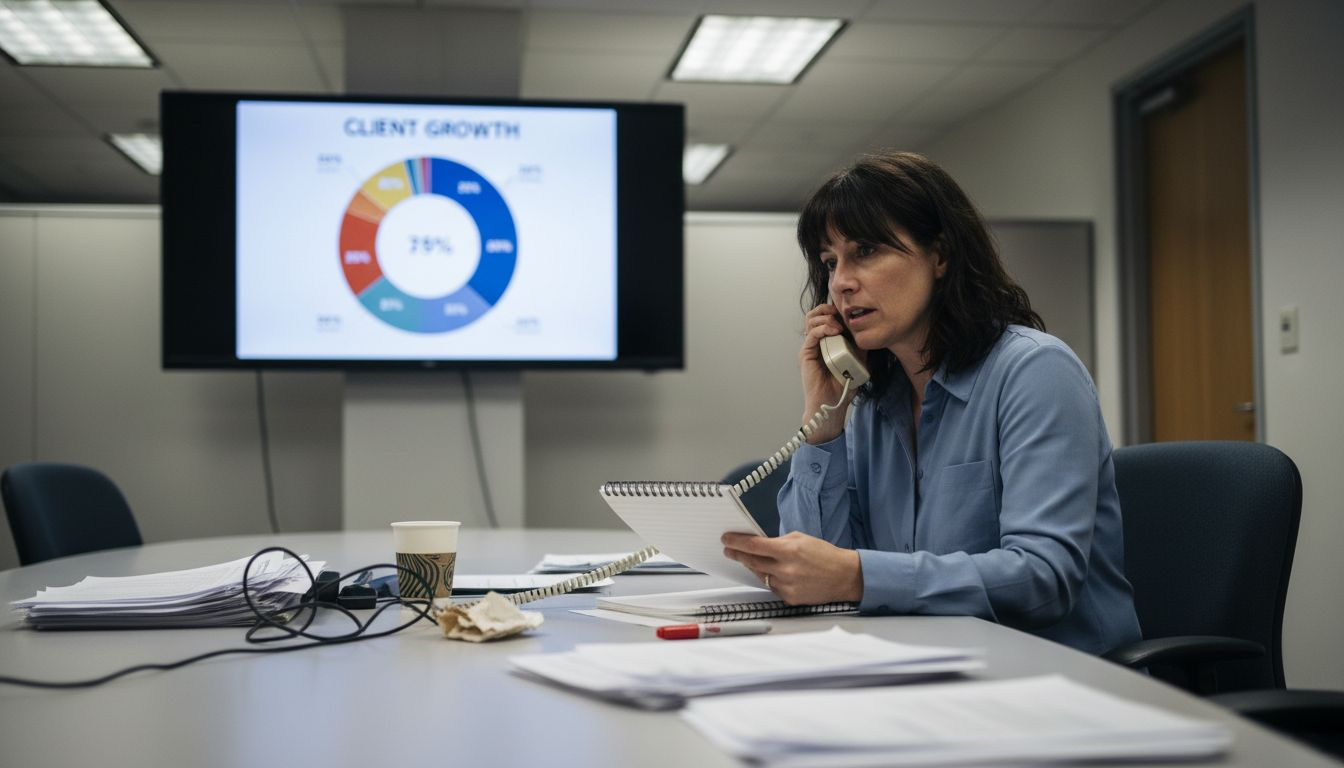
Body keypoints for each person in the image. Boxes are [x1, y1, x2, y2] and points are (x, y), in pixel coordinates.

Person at [721, 151, 1141, 654]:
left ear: (939, 256)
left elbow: (1044, 576)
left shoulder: (1035, 372)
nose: (841, 282)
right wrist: (823, 422)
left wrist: (858, 576)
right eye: (831, 262)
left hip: (1053, 677)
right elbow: (814, 574)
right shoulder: (875, 402)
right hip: (925, 665)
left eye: (867, 252)